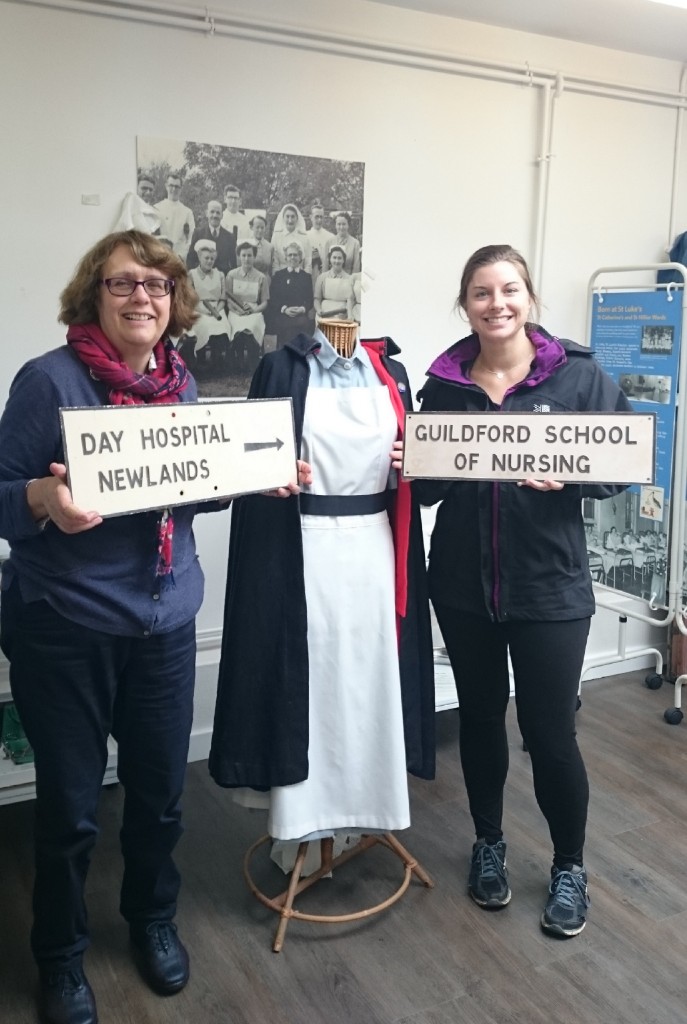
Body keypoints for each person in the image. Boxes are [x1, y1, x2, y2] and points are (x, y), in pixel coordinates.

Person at [0, 229, 309, 1024]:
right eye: (124, 284)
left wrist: (255, 478)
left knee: (160, 798)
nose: (143, 297)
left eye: (159, 286)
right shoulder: (50, 382)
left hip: (165, 619)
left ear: (176, 303)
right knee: (69, 809)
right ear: (92, 297)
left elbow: (188, 487)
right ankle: (61, 958)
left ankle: (150, 920)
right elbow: (4, 491)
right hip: (64, 624)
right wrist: (42, 501)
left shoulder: (179, 385)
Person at [414, 243, 632, 939]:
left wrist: (567, 477)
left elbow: (620, 466)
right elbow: (428, 489)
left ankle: (568, 866)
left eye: (508, 290)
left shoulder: (578, 377)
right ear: (465, 305)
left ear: (529, 297)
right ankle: (488, 844)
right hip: (460, 584)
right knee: (479, 719)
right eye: (481, 293)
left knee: (548, 732)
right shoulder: (445, 385)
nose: (496, 304)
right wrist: (413, 461)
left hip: (550, 587)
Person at [209, 321, 435, 861]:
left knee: (368, 680)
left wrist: (417, 467)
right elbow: (249, 463)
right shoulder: (281, 368)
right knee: (308, 681)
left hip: (374, 549)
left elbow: (418, 470)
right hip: (302, 546)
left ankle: (366, 809)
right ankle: (304, 823)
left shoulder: (392, 373)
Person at [186, 238, 231, 367]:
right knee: (203, 324)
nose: (209, 261)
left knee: (221, 324)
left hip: (217, 308)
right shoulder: (192, 274)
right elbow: (190, 298)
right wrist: (204, 311)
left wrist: (217, 309)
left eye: (212, 258)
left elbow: (223, 297)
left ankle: (216, 358)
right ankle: (200, 358)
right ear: (199, 257)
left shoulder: (220, 274)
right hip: (198, 308)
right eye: (206, 258)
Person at [226, 240, 269, 372]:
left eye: (250, 255)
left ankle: (253, 360)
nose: (246, 259)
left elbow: (265, 302)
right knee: (237, 325)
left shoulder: (261, 277)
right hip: (236, 311)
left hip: (254, 311)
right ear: (239, 256)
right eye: (243, 255)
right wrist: (237, 311)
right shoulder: (231, 275)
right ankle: (237, 360)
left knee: (253, 324)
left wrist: (255, 310)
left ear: (254, 257)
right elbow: (228, 299)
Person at [268, 242, 314, 349]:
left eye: (295, 255)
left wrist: (302, 309)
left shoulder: (306, 277)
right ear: (285, 258)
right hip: (283, 314)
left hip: (300, 315)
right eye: (290, 255)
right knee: (284, 326)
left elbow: (309, 299)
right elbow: (273, 298)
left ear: (300, 257)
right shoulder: (279, 276)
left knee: (303, 324)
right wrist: (284, 309)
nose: (292, 257)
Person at [186, 200, 237, 275]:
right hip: (202, 279)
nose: (215, 215)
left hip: (221, 280)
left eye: (218, 213)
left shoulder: (230, 237)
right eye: (212, 212)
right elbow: (190, 260)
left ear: (222, 215)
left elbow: (233, 265)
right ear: (207, 213)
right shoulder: (198, 233)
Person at [154, 173, 195, 260]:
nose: (174, 189)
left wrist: (182, 255)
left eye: (177, 186)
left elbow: (191, 237)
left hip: (180, 257)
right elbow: (153, 236)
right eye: (171, 185)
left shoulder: (187, 212)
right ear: (166, 186)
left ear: (181, 189)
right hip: (161, 256)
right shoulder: (157, 208)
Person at [313, 245, 353, 320]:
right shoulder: (322, 277)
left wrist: (347, 314)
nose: (337, 261)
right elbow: (317, 299)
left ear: (344, 260)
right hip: (324, 314)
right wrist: (319, 311)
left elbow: (350, 301)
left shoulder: (349, 279)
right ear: (330, 259)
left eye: (339, 258)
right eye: (334, 258)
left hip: (342, 315)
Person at [271, 203, 312, 275]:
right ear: (283, 218)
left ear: (297, 218)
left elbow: (308, 262)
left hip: (300, 276)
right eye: (287, 216)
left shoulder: (304, 237)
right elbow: (275, 263)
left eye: (293, 217)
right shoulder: (276, 236)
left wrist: (305, 279)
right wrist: (277, 278)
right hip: (281, 276)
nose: (290, 220)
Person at [306, 200, 335, 286]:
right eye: (316, 217)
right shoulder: (305, 236)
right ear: (311, 217)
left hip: (326, 277)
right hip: (309, 277)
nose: (319, 220)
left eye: (321, 217)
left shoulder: (330, 237)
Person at [248, 213, 274, 278]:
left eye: (262, 228)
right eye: (257, 227)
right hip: (250, 280)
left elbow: (271, 269)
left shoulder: (270, 247)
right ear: (251, 227)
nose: (260, 230)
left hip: (266, 281)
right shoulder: (247, 245)